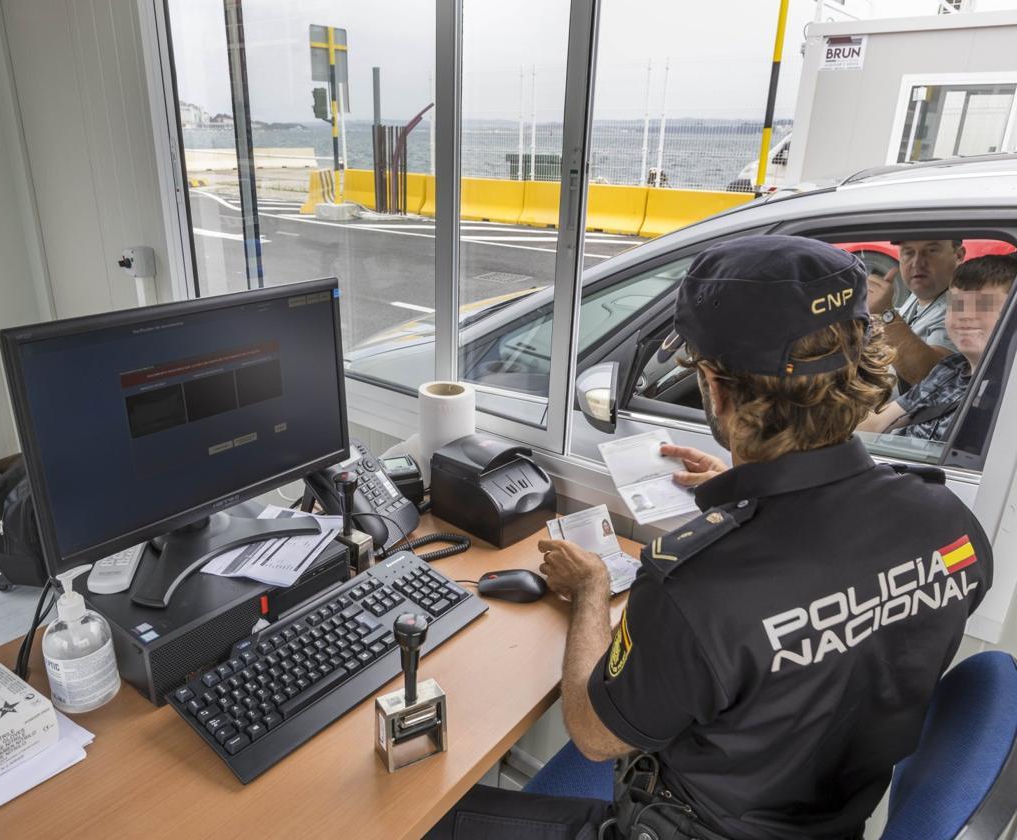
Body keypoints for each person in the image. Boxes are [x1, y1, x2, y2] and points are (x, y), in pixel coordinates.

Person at [425, 235, 992, 840]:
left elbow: (594, 735)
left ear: (716, 391)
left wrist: (591, 591)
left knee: (412, 821)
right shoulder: (946, 521)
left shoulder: (694, 586)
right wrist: (755, 489)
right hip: (832, 825)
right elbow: (858, 616)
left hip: (684, 828)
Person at [860, 254, 1016, 441]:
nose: (965, 316)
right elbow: (878, 422)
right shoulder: (951, 368)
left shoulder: (1008, 390)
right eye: (957, 305)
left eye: (982, 306)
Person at [867, 239, 964, 388]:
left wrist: (885, 313)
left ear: (958, 255)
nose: (917, 262)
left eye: (931, 251)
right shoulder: (924, 293)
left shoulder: (966, 305)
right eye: (908, 252)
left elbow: (935, 378)